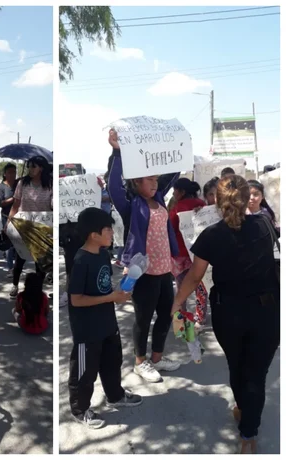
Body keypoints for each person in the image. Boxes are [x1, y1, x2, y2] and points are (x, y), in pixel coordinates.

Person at [171, 175, 279, 454]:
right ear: (248, 198)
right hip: (267, 312)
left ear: (216, 201)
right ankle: (248, 432)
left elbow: (194, 277)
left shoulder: (211, 235)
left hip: (228, 312)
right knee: (256, 373)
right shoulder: (265, 223)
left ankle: (245, 416)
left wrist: (176, 304)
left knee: (238, 366)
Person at [106, 128, 180, 383]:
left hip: (164, 270)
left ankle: (158, 358)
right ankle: (140, 362)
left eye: (155, 179)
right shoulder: (130, 206)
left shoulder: (159, 199)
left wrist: (179, 146)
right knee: (143, 318)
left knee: (167, 314)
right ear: (136, 182)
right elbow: (113, 186)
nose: (154, 183)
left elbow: (174, 171)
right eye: (149, 179)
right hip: (144, 272)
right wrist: (116, 152)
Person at [68, 207, 143, 429]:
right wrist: (111, 296)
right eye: (108, 229)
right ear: (94, 234)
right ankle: (80, 409)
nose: (112, 233)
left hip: (108, 323)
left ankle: (115, 395)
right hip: (87, 329)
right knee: (84, 371)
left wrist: (123, 288)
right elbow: (76, 300)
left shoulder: (102, 254)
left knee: (112, 362)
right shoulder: (80, 261)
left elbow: (104, 287)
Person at [6, 155, 53, 299]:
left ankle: (37, 290)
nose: (30, 169)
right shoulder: (22, 183)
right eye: (29, 166)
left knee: (40, 262)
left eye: (34, 166)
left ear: (41, 168)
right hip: (23, 226)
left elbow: (53, 205)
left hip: (42, 227)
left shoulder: (50, 184)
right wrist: (8, 222)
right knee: (20, 258)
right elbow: (15, 204)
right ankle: (15, 285)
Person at [169, 178, 207, 328]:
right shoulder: (202, 204)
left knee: (182, 287)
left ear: (181, 192)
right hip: (200, 253)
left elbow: (169, 227)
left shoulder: (178, 207)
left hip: (181, 254)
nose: (173, 193)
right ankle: (200, 317)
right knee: (201, 287)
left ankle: (181, 319)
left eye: (175, 191)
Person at [0, 163, 18, 276]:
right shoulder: (1, 187)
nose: (12, 174)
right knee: (9, 243)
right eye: (10, 172)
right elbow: (0, 203)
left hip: (19, 218)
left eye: (14, 172)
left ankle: (17, 266)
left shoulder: (19, 184)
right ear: (5, 174)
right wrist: (13, 199)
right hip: (6, 218)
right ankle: (10, 267)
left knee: (18, 243)